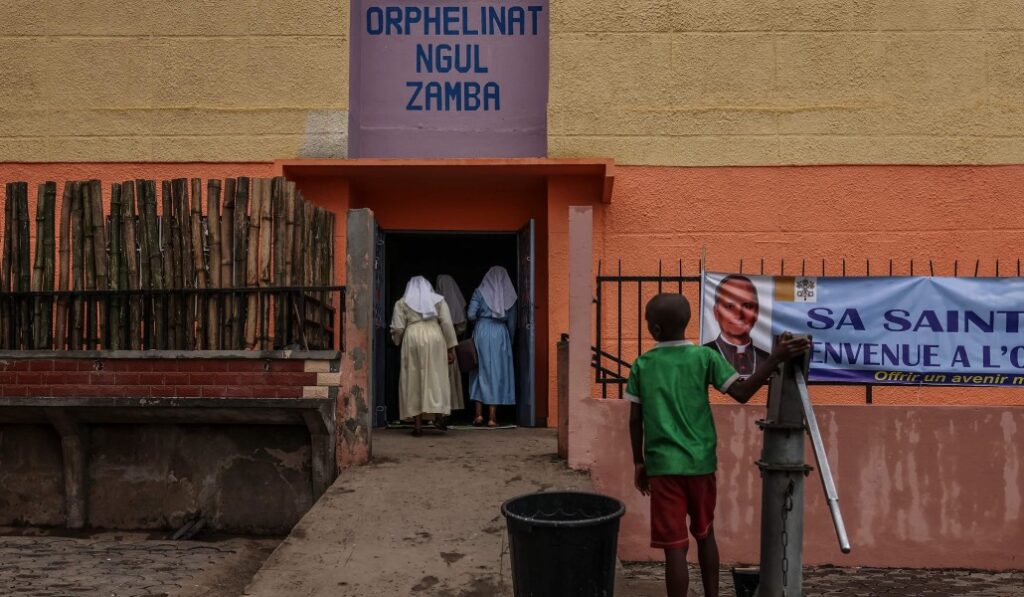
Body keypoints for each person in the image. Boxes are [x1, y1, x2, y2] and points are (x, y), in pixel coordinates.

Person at [628, 293, 809, 597]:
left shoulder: (642, 366)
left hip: (662, 468)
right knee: (705, 533)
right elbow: (742, 392)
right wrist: (775, 357)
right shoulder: (705, 358)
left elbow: (636, 421)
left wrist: (639, 462)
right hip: (701, 464)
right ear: (687, 324)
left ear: (654, 329)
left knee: (674, 547)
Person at [390, 276, 458, 437]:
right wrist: (451, 348)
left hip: (412, 338)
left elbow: (398, 328)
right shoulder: (439, 301)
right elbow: (447, 324)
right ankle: (439, 415)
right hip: (435, 337)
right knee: (436, 377)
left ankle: (418, 425)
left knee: (413, 380)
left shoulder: (402, 303)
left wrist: (397, 341)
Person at [467, 266, 517, 427]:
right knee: (496, 373)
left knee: (479, 371)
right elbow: (513, 322)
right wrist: (510, 341)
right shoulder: (509, 295)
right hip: (500, 334)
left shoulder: (479, 292)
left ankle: (478, 415)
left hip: (481, 331)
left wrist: (480, 321)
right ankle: (492, 417)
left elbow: (470, 314)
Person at [703, 274, 770, 378]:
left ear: (756, 312)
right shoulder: (705, 355)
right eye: (729, 306)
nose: (739, 315)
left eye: (747, 306)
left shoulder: (767, 359)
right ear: (716, 313)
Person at [436, 274, 468, 413]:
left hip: (436, 341)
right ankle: (450, 408)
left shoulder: (435, 301)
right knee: (451, 375)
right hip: (451, 341)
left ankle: (437, 409)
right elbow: (462, 325)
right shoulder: (457, 302)